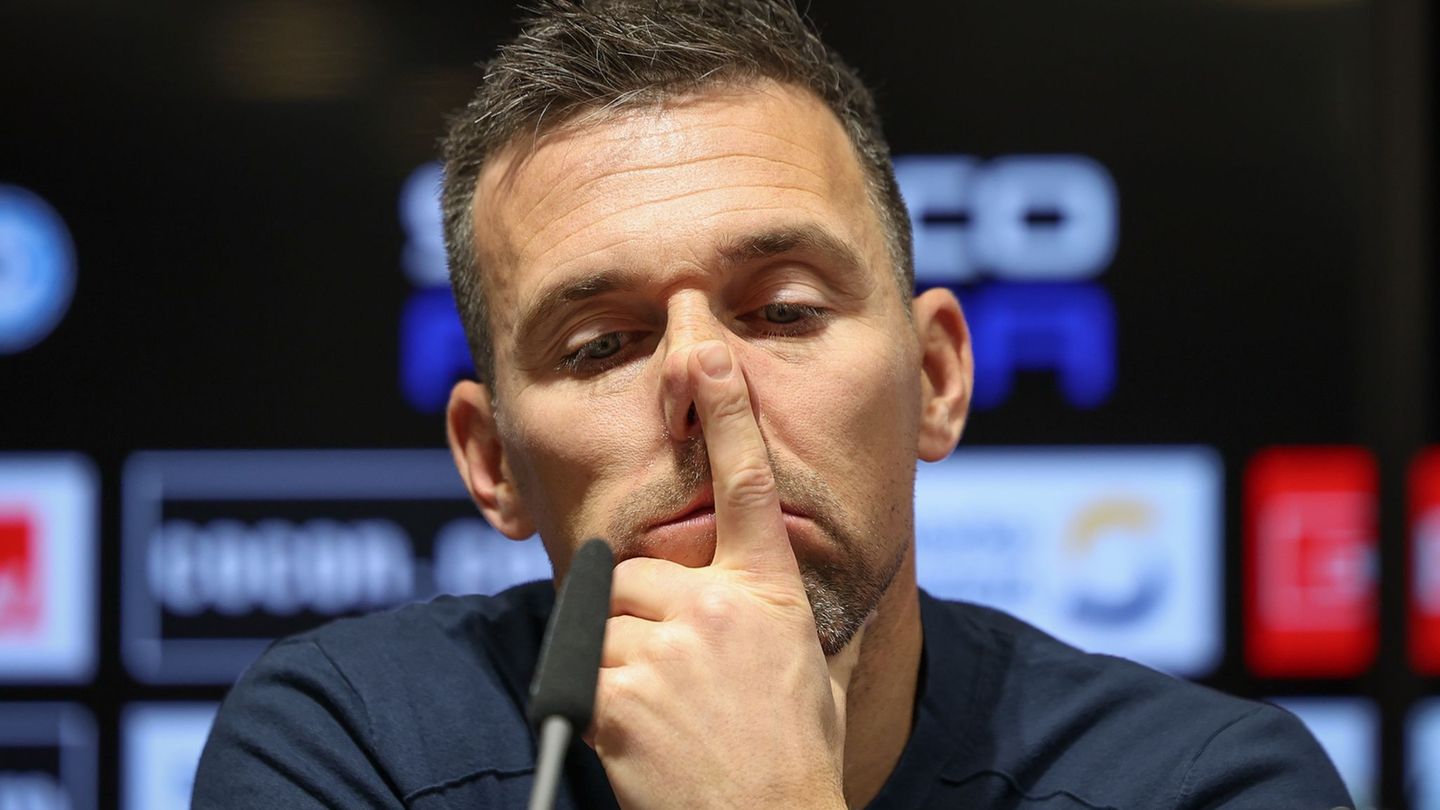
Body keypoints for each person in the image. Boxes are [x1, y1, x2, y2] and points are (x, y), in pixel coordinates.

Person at [193, 1, 1351, 807]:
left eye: (785, 312)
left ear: (936, 380)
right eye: (604, 345)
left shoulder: (1210, 784)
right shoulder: (345, 748)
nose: (704, 381)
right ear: (493, 463)